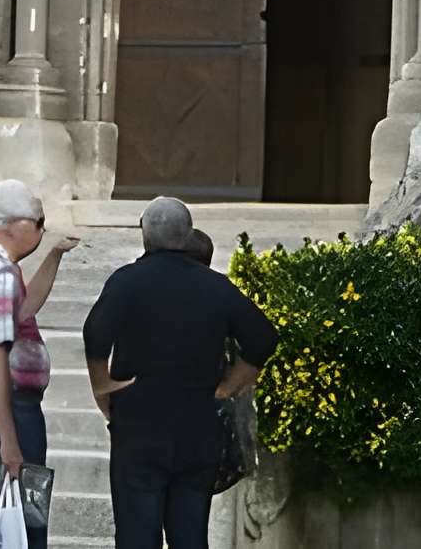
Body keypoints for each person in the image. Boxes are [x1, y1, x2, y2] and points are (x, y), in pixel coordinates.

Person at [82, 197, 276, 549]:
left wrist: (102, 387)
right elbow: (263, 337)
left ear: (145, 234)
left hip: (140, 427)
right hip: (197, 426)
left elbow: (95, 334)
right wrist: (229, 386)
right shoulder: (216, 287)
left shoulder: (127, 282)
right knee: (189, 536)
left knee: (137, 536)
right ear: (187, 235)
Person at [0, 180, 75, 549]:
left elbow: (23, 312)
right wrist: (9, 439)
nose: (41, 228)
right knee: (27, 515)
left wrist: (54, 254)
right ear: (12, 224)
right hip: (10, 412)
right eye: (37, 221)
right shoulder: (2, 277)